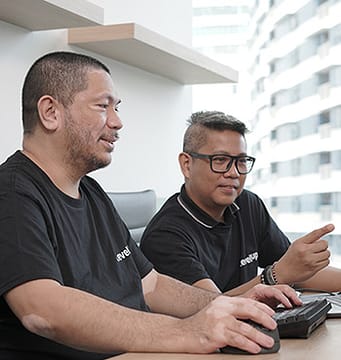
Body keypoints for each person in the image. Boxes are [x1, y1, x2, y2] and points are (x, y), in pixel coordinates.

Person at [0, 52, 301, 360]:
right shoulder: (12, 194)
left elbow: (151, 285)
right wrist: (186, 332)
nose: (117, 122)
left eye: (116, 108)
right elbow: (42, 310)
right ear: (51, 112)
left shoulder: (91, 192)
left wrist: (228, 303)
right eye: (103, 106)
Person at [140, 110, 341, 296]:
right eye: (219, 160)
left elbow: (296, 271)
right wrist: (274, 276)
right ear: (187, 165)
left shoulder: (247, 204)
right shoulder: (165, 236)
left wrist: (293, 268)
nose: (234, 172)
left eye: (241, 161)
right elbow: (211, 308)